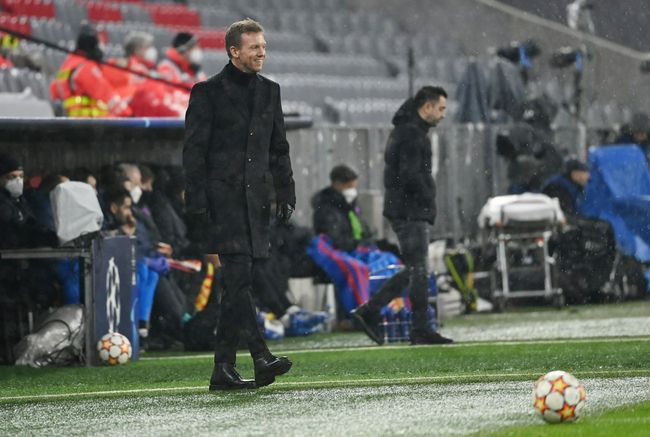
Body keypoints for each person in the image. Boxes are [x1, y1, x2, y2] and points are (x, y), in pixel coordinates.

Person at [183, 19, 295, 390]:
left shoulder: (271, 91)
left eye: (263, 46)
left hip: (256, 201)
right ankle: (260, 354)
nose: (262, 52)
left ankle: (223, 368)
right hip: (222, 203)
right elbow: (193, 154)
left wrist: (286, 191)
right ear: (234, 51)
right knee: (238, 278)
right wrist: (197, 204)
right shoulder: (207, 93)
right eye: (254, 47)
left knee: (236, 284)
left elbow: (278, 148)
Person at [351, 86, 453, 346]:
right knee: (419, 269)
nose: (443, 115)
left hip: (406, 209)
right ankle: (418, 328)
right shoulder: (411, 134)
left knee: (415, 269)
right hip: (410, 211)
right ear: (427, 107)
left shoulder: (407, 130)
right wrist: (427, 196)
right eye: (440, 108)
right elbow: (410, 175)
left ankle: (372, 311)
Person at [50, 24, 131, 117]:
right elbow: (107, 95)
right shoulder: (85, 67)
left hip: (72, 122)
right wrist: (129, 115)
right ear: (94, 44)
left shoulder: (68, 65)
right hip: (90, 124)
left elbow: (54, 91)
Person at [312, 164, 370, 252]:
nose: (352, 191)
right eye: (349, 187)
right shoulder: (326, 209)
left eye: (354, 187)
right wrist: (358, 245)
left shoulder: (351, 206)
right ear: (337, 184)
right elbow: (334, 241)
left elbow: (364, 230)